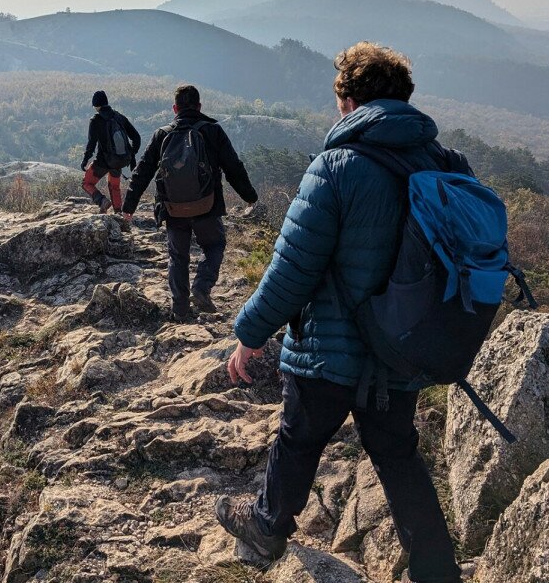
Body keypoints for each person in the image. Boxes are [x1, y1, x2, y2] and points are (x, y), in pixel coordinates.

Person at [215, 42, 465, 583]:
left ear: (348, 100)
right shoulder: (441, 163)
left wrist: (250, 334)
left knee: (299, 437)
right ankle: (437, 572)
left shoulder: (337, 166)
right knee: (399, 458)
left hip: (331, 349)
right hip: (400, 350)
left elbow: (293, 269)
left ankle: (266, 526)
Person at [122, 84, 258, 318]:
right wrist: (249, 197)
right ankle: (202, 286)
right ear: (199, 106)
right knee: (214, 245)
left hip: (173, 208)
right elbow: (233, 167)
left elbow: (142, 170)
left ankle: (181, 311)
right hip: (207, 205)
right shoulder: (212, 131)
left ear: (175, 108)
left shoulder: (162, 134)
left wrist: (129, 206)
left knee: (178, 257)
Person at [81, 90, 141, 213]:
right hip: (118, 161)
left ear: (96, 106)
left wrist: (85, 160)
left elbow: (91, 144)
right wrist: (131, 154)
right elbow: (136, 137)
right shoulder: (119, 117)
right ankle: (118, 213)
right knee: (114, 187)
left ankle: (102, 201)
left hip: (102, 162)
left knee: (86, 183)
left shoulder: (95, 120)